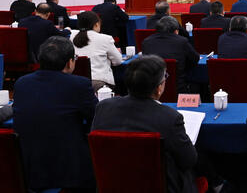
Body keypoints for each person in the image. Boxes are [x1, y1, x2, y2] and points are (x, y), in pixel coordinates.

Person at [92, 55, 199, 193]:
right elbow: (189, 160)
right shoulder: (169, 118)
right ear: (159, 88)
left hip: (112, 184)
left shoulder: (104, 107)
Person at [13, 36, 97, 192]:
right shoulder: (79, 85)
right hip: (67, 169)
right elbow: (95, 117)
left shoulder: (22, 83)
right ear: (69, 62)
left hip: (28, 166)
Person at [141, 16, 199, 94]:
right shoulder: (182, 41)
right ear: (176, 31)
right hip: (179, 88)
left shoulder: (146, 42)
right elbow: (195, 59)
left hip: (151, 89)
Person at [70, 11, 123, 92]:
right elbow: (118, 61)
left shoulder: (72, 35)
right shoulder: (105, 38)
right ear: (96, 24)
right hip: (100, 83)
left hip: (76, 81)